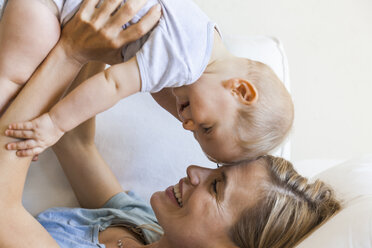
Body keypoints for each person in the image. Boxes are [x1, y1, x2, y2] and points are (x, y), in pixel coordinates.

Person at [0, 2, 339, 248]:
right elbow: (75, 144)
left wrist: (72, 53)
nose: (194, 171)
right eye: (214, 170)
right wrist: (103, 39)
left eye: (217, 187)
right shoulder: (142, 222)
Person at [3, 0, 294, 164]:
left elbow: (154, 87)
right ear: (240, 90)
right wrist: (55, 125)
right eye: (206, 127)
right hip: (47, 7)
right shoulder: (185, 61)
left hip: (62, 13)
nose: (188, 125)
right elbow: (113, 85)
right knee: (13, 82)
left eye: (196, 134)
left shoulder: (203, 38)